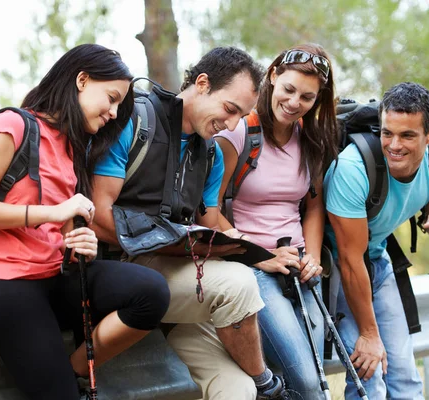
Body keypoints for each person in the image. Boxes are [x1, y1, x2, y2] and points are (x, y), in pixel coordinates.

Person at [0, 44, 170, 400]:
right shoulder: (12, 124)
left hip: (55, 276)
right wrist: (50, 213)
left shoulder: (72, 147)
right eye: (112, 98)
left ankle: (74, 374)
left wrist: (79, 245)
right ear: (82, 80)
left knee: (150, 292)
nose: (115, 113)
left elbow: (62, 228)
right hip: (2, 281)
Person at [91, 47, 290, 400]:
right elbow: (97, 215)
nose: (231, 126)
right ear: (202, 83)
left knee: (236, 390)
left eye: (241, 118)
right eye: (230, 110)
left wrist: (260, 255)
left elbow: (209, 220)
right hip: (118, 267)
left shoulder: (211, 153)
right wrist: (167, 243)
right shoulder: (134, 121)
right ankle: (268, 385)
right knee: (237, 283)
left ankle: (253, 385)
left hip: (177, 276)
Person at [215, 44, 338, 399]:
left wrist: (312, 256)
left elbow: (313, 207)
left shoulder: (311, 139)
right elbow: (207, 210)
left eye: (307, 97)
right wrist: (260, 254)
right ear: (272, 76)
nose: (294, 102)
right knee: (309, 384)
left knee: (313, 373)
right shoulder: (239, 132)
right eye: (288, 89)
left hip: (298, 267)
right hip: (252, 268)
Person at [323, 82, 429, 399]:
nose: (394, 145)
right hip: (335, 270)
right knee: (369, 377)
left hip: (377, 261)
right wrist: (370, 334)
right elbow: (349, 260)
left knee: (405, 382)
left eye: (407, 135)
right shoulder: (353, 168)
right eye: (387, 133)